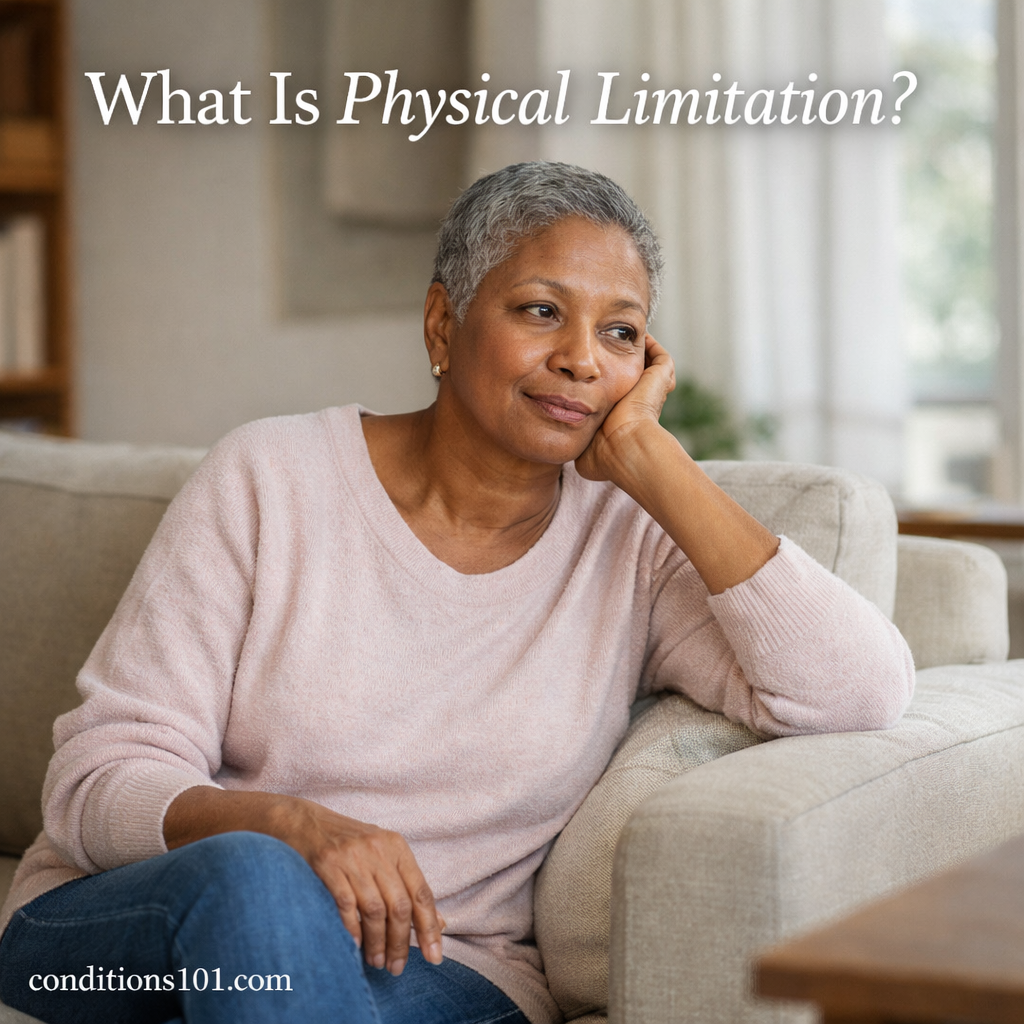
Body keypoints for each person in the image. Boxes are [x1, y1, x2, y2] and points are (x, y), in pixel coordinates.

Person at [0, 162, 914, 1024]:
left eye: (620, 332)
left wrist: (655, 462)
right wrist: (290, 828)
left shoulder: (633, 544)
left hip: (441, 968)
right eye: (542, 311)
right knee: (257, 888)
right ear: (443, 325)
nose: (583, 360)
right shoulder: (269, 478)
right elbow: (92, 785)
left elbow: (858, 692)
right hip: (118, 938)